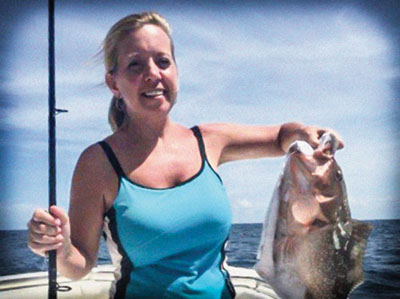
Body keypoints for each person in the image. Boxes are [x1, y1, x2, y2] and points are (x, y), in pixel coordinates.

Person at [27, 12, 343, 299]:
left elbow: (279, 137)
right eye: (135, 65)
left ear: (176, 71)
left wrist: (304, 132)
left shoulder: (210, 140)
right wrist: (58, 246)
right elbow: (79, 264)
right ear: (113, 82)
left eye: (163, 61)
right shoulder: (97, 162)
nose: (152, 73)